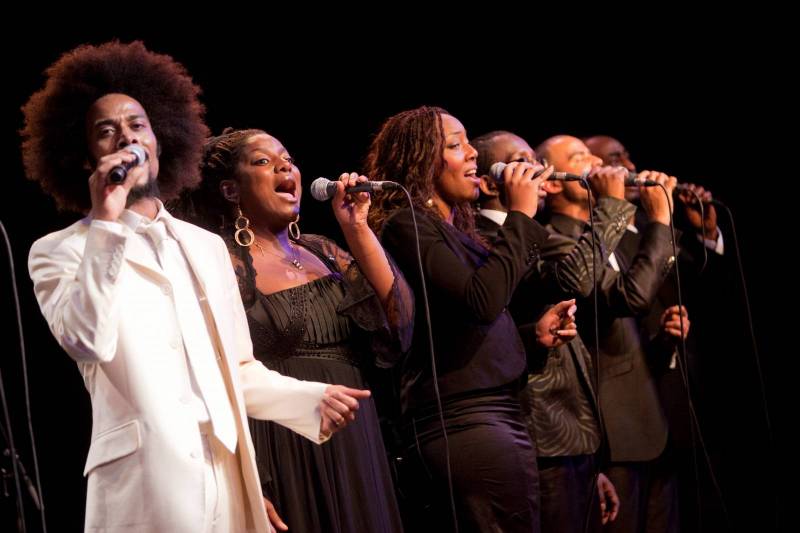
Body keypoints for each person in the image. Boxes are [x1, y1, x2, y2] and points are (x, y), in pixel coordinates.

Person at [20, 41, 366, 533]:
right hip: (145, 482)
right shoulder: (61, 250)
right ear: (83, 159)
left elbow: (237, 368)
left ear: (160, 140)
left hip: (226, 475)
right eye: (106, 131)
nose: (126, 138)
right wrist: (107, 223)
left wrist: (309, 399)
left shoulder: (204, 247)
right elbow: (87, 340)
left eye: (137, 125)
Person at [176, 127, 413, 532]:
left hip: (356, 436)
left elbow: (401, 320)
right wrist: (249, 478)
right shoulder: (224, 264)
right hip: (283, 440)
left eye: (287, 158)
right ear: (232, 191)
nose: (285, 166)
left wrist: (357, 227)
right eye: (263, 162)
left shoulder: (325, 251)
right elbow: (214, 376)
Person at [365, 106, 576, 533]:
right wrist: (520, 215)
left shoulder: (452, 229)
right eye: (455, 145)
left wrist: (530, 336)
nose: (473, 155)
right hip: (465, 420)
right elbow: (481, 301)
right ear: (423, 158)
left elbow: (459, 324)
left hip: (495, 413)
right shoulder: (407, 225)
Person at [536, 135, 687, 533]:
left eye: (591, 154)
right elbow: (632, 297)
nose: (594, 162)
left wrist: (665, 341)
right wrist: (657, 220)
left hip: (649, 424)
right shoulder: (556, 241)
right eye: (579, 156)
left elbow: (620, 324)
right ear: (551, 182)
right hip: (609, 435)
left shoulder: (610, 238)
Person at [472, 130, 620, 532]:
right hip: (538, 432)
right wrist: (612, 205)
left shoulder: (536, 234)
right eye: (523, 161)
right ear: (487, 183)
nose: (538, 171)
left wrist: (595, 461)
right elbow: (578, 278)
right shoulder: (483, 239)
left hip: (574, 435)